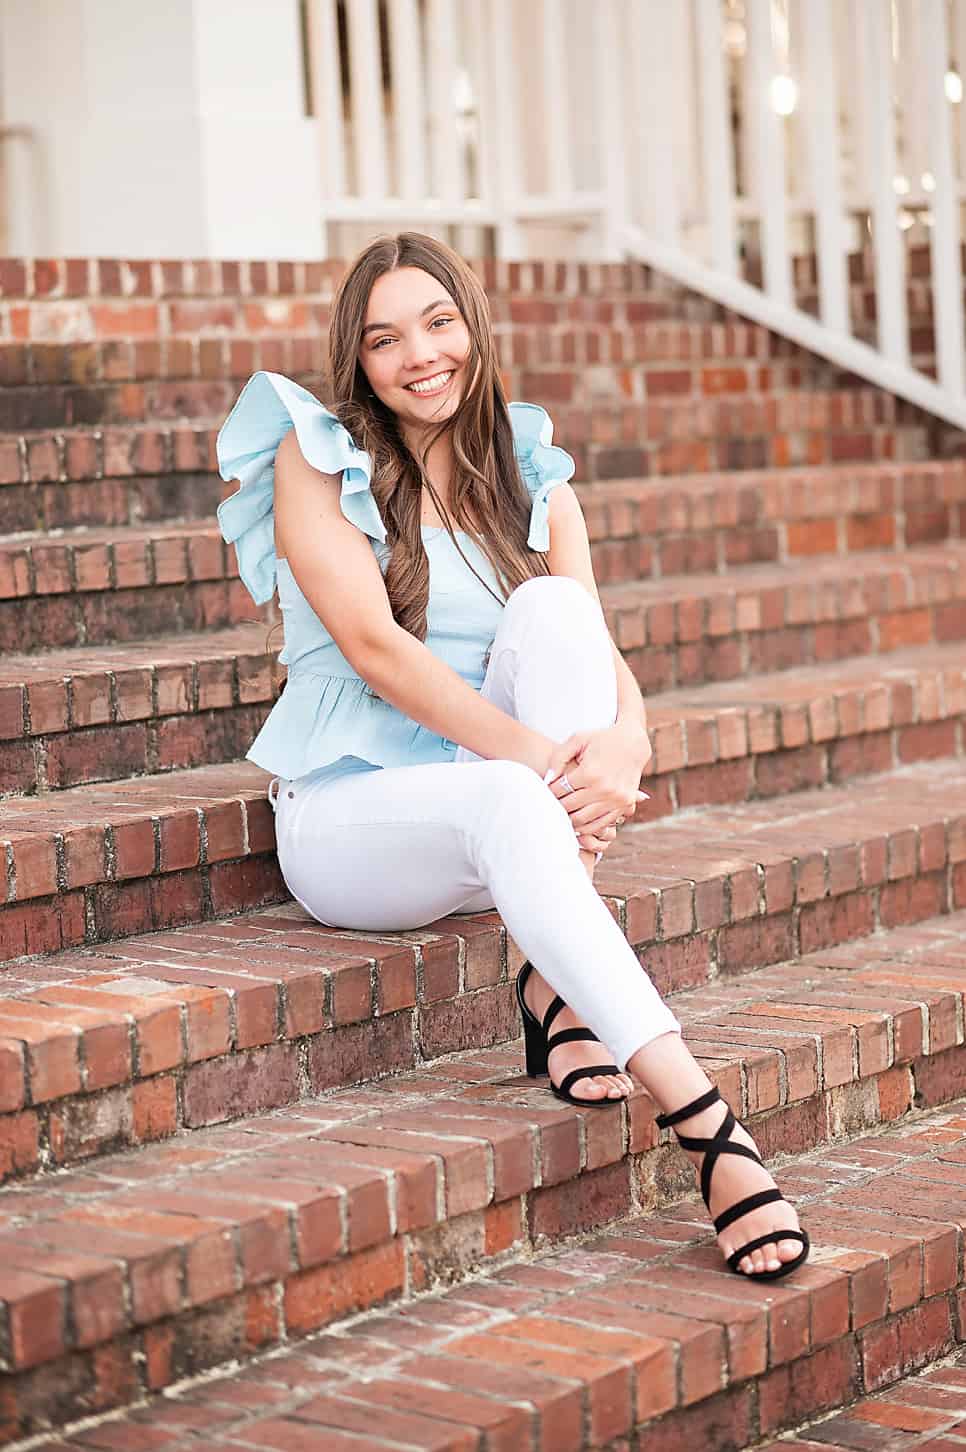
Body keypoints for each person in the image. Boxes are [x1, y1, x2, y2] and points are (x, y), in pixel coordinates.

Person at [216, 231, 808, 1281]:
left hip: (498, 798)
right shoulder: (317, 455)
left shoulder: (528, 472)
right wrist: (543, 763)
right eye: (385, 338)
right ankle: (709, 1125)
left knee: (551, 608)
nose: (420, 355)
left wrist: (629, 740)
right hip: (352, 823)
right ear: (357, 360)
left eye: (438, 323)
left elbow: (595, 645)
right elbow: (373, 649)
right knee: (502, 790)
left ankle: (550, 982)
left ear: (475, 324)